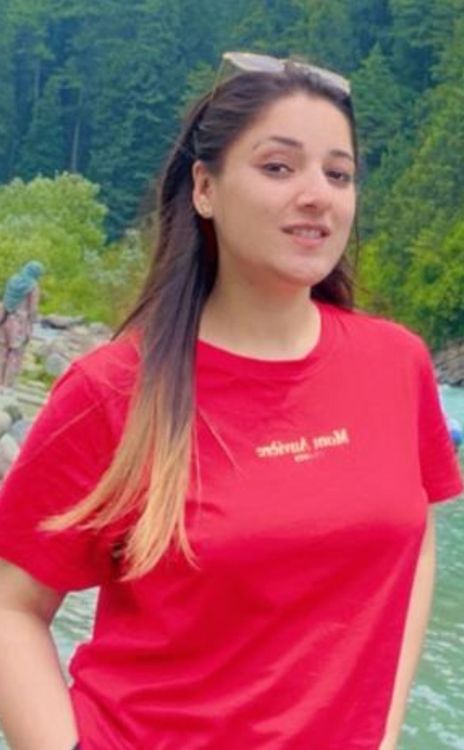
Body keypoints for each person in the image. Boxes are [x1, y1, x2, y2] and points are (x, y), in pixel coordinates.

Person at [0, 51, 461, 750]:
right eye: (278, 167)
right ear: (204, 188)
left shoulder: (396, 363)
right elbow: (12, 606)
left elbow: (415, 535)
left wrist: (384, 727)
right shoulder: (114, 389)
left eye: (338, 174)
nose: (318, 195)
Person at [0, 261, 45, 388]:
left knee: (2, 351)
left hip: (5, 319)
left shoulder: (13, 280)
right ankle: (7, 385)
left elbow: (5, 300)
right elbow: (32, 309)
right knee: (15, 353)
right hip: (20, 323)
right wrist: (33, 323)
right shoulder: (33, 286)